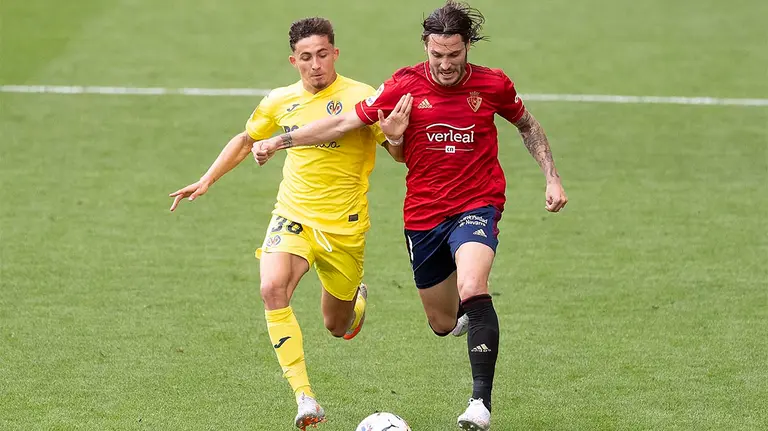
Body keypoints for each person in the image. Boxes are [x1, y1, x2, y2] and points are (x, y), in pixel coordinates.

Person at [252, 2, 569, 430]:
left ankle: (480, 404)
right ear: (426, 47)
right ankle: (463, 314)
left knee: (474, 285)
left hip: (478, 202)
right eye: (437, 54)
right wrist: (282, 140)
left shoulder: (493, 85)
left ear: (467, 47)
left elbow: (527, 124)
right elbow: (343, 123)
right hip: (423, 214)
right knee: (442, 323)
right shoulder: (403, 85)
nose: (444, 64)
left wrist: (551, 177)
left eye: (453, 55)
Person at [168, 17, 405, 430]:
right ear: (293, 60)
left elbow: (399, 154)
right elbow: (246, 139)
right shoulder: (279, 101)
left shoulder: (363, 97)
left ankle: (357, 303)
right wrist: (207, 179)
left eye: (323, 55)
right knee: (271, 287)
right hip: (293, 214)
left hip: (345, 228)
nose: (316, 65)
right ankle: (305, 397)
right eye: (307, 57)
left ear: (336, 53)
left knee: (337, 325)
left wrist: (397, 137)